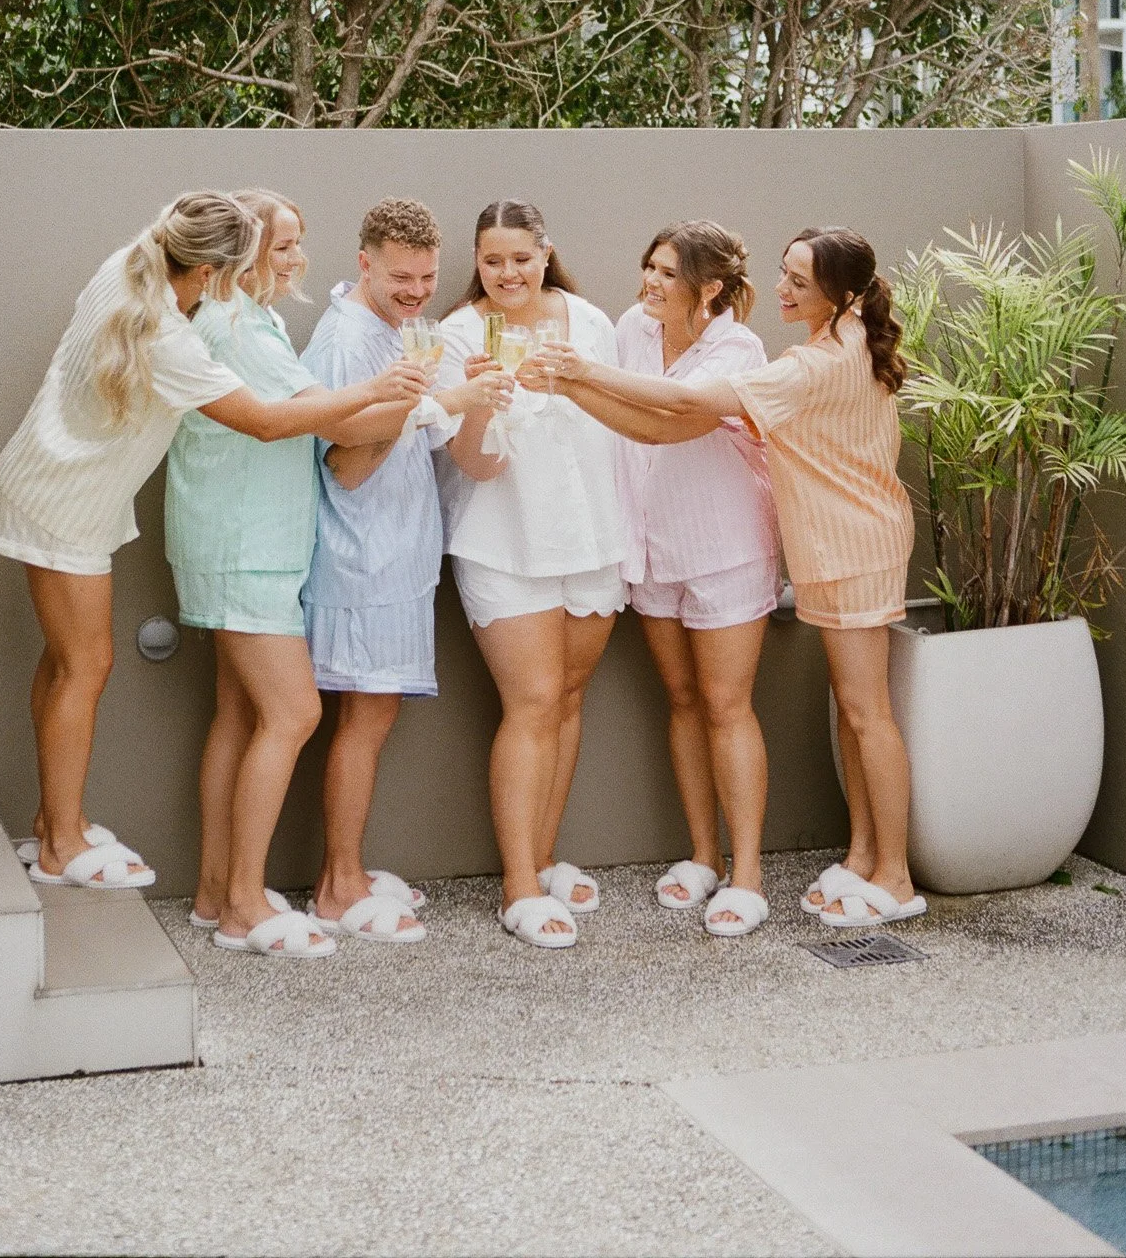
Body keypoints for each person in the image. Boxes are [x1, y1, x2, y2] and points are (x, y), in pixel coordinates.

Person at [0, 192, 428, 898]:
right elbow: (265, 422)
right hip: (66, 498)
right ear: (211, 273)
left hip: (63, 485)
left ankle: (56, 823)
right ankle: (61, 844)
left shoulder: (129, 266)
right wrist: (384, 390)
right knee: (85, 665)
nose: (286, 261)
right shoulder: (171, 338)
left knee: (67, 663)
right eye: (266, 250)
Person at [524, 226, 926, 932]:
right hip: (825, 545)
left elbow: (679, 412)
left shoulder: (807, 364)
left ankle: (893, 875)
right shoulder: (835, 341)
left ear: (842, 295)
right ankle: (863, 857)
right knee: (852, 710)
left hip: (853, 544)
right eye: (785, 273)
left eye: (798, 282)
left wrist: (575, 376)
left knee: (867, 713)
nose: (780, 289)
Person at [165, 191, 446, 958]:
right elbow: (332, 424)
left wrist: (407, 396)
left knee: (239, 717)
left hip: (250, 544)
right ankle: (244, 908)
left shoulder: (250, 321)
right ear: (241, 253)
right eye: (281, 246)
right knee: (293, 714)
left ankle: (218, 892)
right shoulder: (235, 324)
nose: (296, 259)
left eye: (297, 243)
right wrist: (418, 395)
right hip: (244, 544)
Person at [301, 198, 509, 944]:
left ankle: (349, 873)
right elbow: (345, 460)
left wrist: (454, 400)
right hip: (362, 562)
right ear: (364, 263)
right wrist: (438, 400)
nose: (418, 293)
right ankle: (337, 888)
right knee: (365, 721)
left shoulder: (396, 329)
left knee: (372, 721)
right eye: (401, 279)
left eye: (427, 278)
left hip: (394, 560)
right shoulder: (346, 339)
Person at [437, 200, 627, 952]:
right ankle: (518, 887)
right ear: (477, 263)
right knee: (533, 700)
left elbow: (618, 423)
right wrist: (484, 402)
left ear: (546, 253)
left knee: (569, 698)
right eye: (493, 260)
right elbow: (471, 464)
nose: (507, 273)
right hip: (503, 541)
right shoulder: (461, 334)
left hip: (593, 536)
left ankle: (544, 860)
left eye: (521, 258)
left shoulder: (591, 322)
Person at [616, 223, 781, 939]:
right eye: (649, 268)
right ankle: (703, 856)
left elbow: (668, 418)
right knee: (682, 700)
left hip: (725, 547)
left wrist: (577, 377)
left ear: (709, 288)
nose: (650, 283)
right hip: (652, 548)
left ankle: (748, 876)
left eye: (667, 273)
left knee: (726, 704)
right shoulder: (631, 328)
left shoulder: (739, 350)